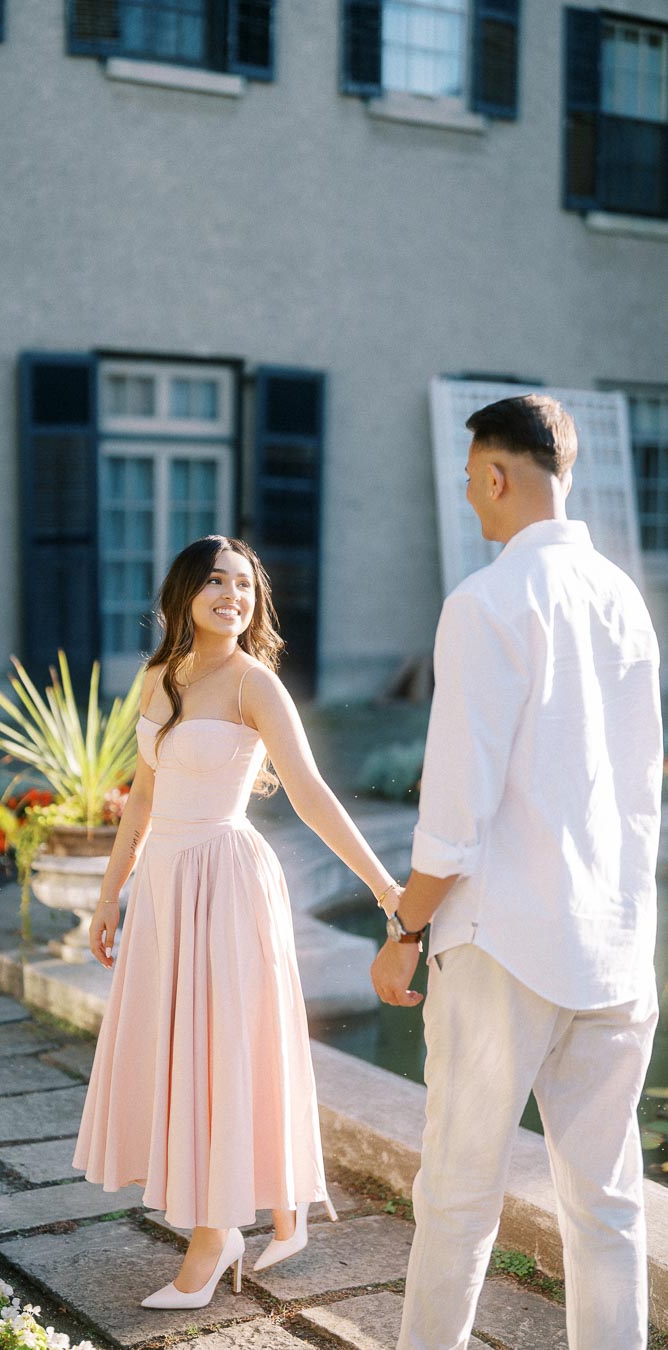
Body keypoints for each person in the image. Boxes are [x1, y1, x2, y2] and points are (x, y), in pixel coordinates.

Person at [371, 394, 662, 1350]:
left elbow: (453, 814)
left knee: (458, 1199)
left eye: (471, 482)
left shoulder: (487, 600)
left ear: (498, 475)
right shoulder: (627, 601)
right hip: (617, 945)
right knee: (609, 1208)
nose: (471, 501)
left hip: (503, 945)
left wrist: (404, 932)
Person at [73, 534, 403, 1309]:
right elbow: (143, 799)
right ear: (184, 592)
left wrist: (386, 888)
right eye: (217, 581)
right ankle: (276, 1209)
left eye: (246, 586)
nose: (234, 595)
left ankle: (216, 1234)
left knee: (223, 1047)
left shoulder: (257, 683)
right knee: (183, 1048)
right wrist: (107, 893)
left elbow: (312, 794)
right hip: (163, 885)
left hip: (225, 880)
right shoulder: (159, 675)